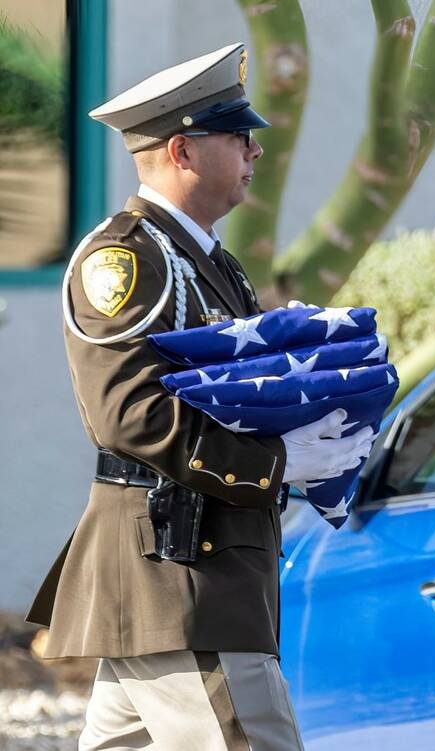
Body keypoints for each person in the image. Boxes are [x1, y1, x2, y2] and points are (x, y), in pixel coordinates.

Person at [26, 43, 373, 750]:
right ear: (182, 151)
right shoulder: (126, 260)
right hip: (179, 566)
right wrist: (274, 459)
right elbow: (128, 413)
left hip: (193, 566)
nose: (255, 151)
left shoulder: (212, 263)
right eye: (238, 136)